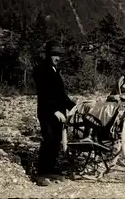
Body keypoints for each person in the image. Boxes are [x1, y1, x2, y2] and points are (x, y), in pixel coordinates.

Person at [76, 55, 125, 176]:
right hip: (116, 105)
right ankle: (92, 134)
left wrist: (122, 97)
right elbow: (111, 95)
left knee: (109, 108)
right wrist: (113, 97)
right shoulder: (121, 80)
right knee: (95, 105)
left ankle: (98, 136)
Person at [32, 40, 76, 187]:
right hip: (47, 112)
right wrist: (55, 110)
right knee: (49, 140)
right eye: (54, 55)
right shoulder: (41, 70)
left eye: (59, 55)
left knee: (55, 141)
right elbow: (45, 93)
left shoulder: (54, 70)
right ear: (47, 55)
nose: (57, 58)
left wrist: (73, 106)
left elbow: (60, 95)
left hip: (58, 113)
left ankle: (50, 169)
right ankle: (41, 173)